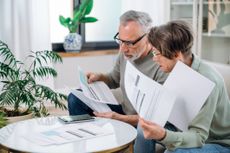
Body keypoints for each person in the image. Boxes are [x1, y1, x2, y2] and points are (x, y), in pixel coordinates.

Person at [67, 10, 168, 152]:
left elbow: (158, 119)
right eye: (120, 40)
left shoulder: (162, 62)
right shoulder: (125, 53)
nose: (123, 49)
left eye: (129, 43)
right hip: (124, 112)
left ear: (149, 36)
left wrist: (119, 118)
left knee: (143, 127)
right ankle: (84, 145)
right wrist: (99, 77)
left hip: (142, 122)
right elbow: (114, 79)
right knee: (75, 98)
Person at [138, 20, 230, 153]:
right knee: (143, 127)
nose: (154, 59)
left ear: (177, 55)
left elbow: (198, 137)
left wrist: (164, 135)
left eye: (157, 54)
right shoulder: (180, 66)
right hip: (185, 127)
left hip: (216, 141)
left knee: (176, 152)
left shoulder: (205, 81)